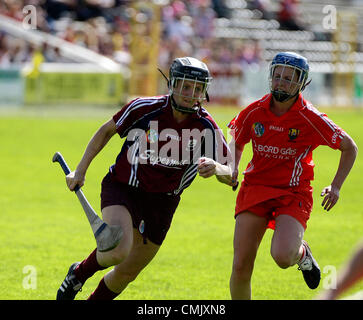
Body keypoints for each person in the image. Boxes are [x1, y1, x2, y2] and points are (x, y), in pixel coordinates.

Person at [56, 56, 236, 300]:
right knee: (117, 250)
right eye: (185, 85)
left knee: (127, 273)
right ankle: (79, 273)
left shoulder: (206, 126)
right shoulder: (143, 107)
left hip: (164, 202)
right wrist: (80, 170)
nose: (190, 93)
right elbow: (106, 130)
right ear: (171, 84)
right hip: (124, 188)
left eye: (197, 88)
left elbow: (231, 175)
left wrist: (216, 168)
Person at [225, 52, 358, 299]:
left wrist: (336, 187)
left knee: (283, 256)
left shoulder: (311, 118)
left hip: (293, 193)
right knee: (241, 265)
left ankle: (302, 254)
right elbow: (237, 142)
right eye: (277, 76)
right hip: (255, 188)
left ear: (301, 84)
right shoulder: (254, 111)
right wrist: (233, 166)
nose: (281, 82)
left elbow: (350, 147)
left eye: (288, 78)